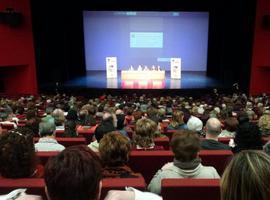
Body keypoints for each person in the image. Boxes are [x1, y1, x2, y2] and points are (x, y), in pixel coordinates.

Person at [148, 130, 220, 194]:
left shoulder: (164, 175)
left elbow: (151, 190)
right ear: (198, 151)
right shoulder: (212, 173)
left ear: (173, 151)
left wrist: (161, 170)